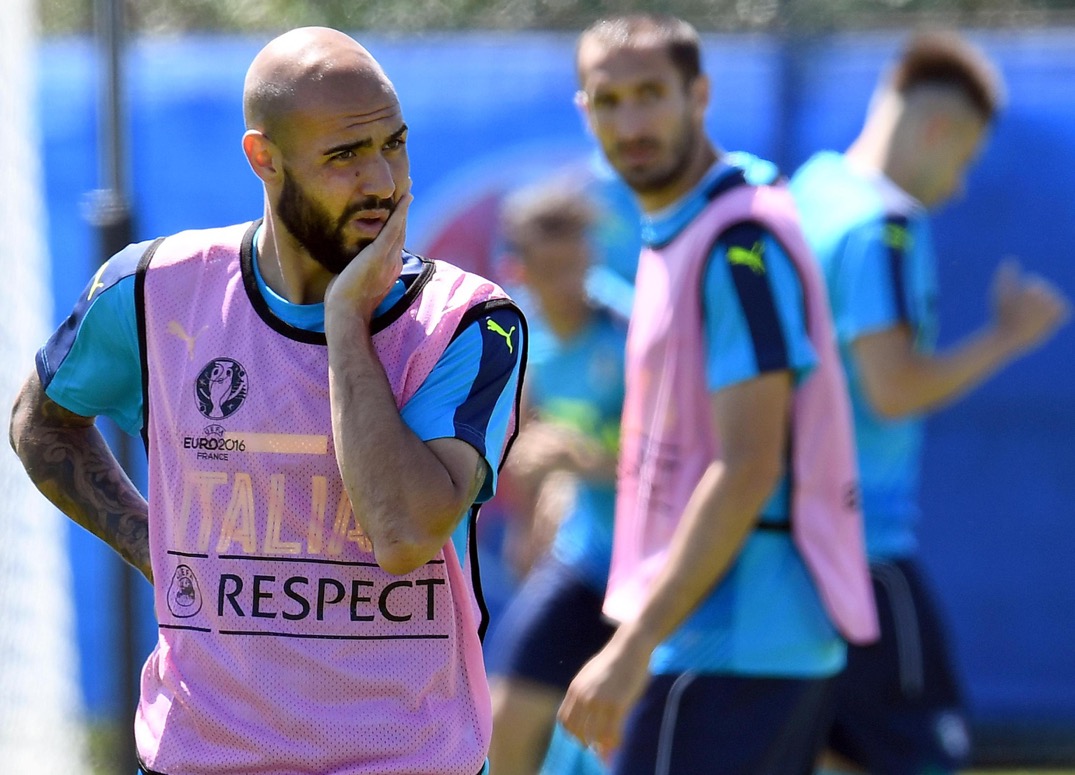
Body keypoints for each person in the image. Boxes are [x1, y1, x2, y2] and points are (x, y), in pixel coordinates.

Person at [9, 27, 525, 775]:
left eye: (394, 144)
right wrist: (153, 546)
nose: (382, 180)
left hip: (405, 760)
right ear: (264, 157)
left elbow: (403, 532)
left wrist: (345, 321)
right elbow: (41, 421)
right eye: (345, 155)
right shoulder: (155, 290)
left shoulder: (467, 321)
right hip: (197, 758)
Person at [558, 14, 878, 774]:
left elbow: (748, 465)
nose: (631, 124)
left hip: (734, 639)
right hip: (720, 637)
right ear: (585, 111)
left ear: (698, 95)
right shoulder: (686, 226)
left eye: (650, 94)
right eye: (609, 101)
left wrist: (633, 644)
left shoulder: (739, 242)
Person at [789, 32, 1070, 775]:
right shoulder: (882, 225)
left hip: (785, 544)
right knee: (920, 757)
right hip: (862, 551)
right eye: (964, 159)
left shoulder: (809, 191)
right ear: (937, 129)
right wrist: (1007, 338)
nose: (959, 185)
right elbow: (894, 389)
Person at [484, 181, 625, 775]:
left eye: (577, 265)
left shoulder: (634, 331)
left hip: (659, 574)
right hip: (587, 559)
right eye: (551, 270)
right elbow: (525, 439)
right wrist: (536, 504)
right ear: (518, 269)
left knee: (631, 738)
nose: (570, 284)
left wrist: (581, 466)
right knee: (504, 725)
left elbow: (682, 466)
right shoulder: (516, 331)